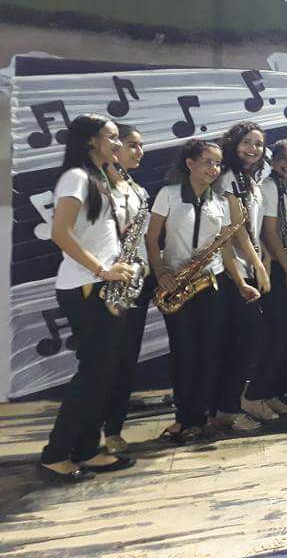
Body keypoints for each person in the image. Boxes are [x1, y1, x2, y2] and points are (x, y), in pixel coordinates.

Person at [40, 114, 138, 482]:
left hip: (101, 286)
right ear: (89, 141)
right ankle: (55, 454)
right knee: (93, 373)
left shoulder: (98, 179)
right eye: (111, 137)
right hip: (85, 287)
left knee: (103, 374)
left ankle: (85, 449)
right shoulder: (76, 177)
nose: (118, 144)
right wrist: (103, 270)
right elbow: (60, 233)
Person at [148, 140, 258, 442]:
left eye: (218, 163)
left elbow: (225, 249)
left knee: (210, 353)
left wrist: (241, 283)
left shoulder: (220, 202)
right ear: (190, 163)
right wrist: (161, 273)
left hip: (211, 283)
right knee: (184, 354)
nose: (214, 169)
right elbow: (152, 239)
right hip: (177, 283)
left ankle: (201, 416)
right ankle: (184, 416)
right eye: (208, 162)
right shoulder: (169, 194)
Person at [216, 122, 272, 429]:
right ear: (233, 144)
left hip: (248, 267)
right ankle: (226, 408)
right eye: (247, 142)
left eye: (258, 144)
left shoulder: (248, 179)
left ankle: (227, 406)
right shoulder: (227, 177)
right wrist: (258, 265)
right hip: (232, 270)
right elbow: (236, 230)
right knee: (247, 338)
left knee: (246, 340)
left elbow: (253, 226)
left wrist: (262, 257)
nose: (253, 149)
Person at [100, 124, 150, 455]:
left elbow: (142, 238)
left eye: (140, 145)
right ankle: (88, 431)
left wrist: (143, 269)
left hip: (133, 283)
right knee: (102, 362)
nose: (138, 151)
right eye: (131, 144)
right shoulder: (96, 186)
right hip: (104, 281)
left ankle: (114, 428)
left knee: (126, 360)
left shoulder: (139, 191)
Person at [255, 140, 287, 415]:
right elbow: (270, 234)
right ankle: (257, 395)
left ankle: (274, 393)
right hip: (276, 268)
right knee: (277, 336)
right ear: (273, 161)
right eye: (283, 158)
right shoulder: (269, 187)